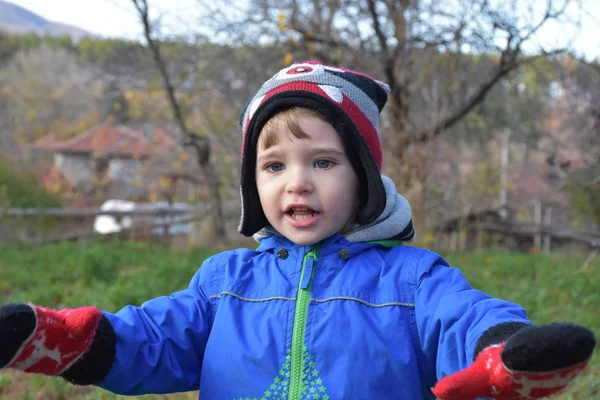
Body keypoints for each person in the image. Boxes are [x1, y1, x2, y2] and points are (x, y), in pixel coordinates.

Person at [0, 61, 595, 400]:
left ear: (364, 178)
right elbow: (150, 342)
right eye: (275, 166)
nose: (297, 184)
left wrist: (506, 351)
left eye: (324, 162)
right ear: (252, 184)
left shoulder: (410, 280)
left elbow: (464, 318)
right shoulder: (223, 283)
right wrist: (59, 337)